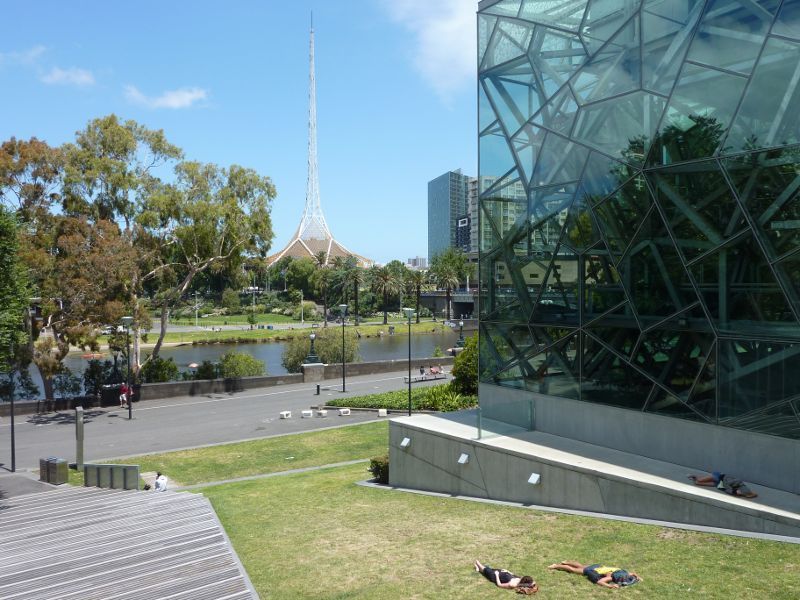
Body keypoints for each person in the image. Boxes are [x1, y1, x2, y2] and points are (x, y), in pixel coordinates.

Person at [548, 561, 640, 589]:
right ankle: (556, 566)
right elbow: (600, 581)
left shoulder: (624, 572)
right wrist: (610, 586)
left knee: (581, 566)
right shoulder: (611, 577)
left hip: (599, 566)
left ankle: (566, 562)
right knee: (574, 570)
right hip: (594, 570)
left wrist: (638, 577)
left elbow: (633, 574)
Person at [474, 560, 538, 594]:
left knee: (484, 568)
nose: (522, 577)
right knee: (487, 569)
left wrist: (496, 575)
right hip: (502, 572)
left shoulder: (512, 584)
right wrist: (508, 571)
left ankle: (477, 564)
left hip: (495, 576)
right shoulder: (520, 579)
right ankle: (478, 568)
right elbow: (513, 575)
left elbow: (499, 585)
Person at [689, 472, 758, 498]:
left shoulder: (740, 487)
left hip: (721, 479)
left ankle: (697, 478)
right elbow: (730, 490)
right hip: (721, 485)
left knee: (714, 476)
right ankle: (697, 481)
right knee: (713, 483)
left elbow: (731, 484)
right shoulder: (741, 489)